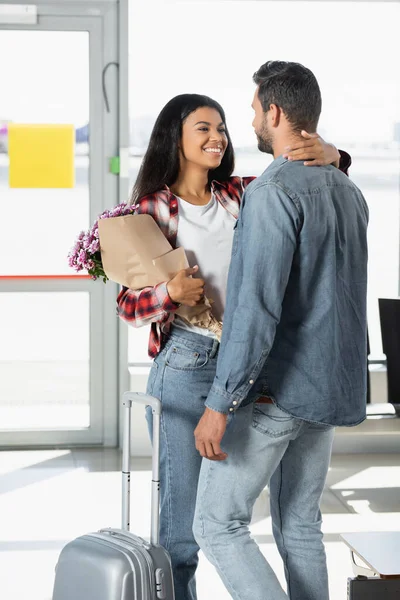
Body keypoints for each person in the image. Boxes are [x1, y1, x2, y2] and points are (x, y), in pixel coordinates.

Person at [117, 92, 350, 600]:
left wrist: (336, 155)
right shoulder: (151, 208)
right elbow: (127, 305)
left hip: (245, 369)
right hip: (186, 366)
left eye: (221, 127)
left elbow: (303, 180)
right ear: (174, 138)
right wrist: (168, 294)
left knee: (223, 515)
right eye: (203, 128)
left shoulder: (244, 193)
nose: (217, 137)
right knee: (182, 529)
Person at [193, 62, 368, 600]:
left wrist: (219, 404)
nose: (248, 121)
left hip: (279, 392)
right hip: (331, 387)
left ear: (274, 111)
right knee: (300, 526)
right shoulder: (348, 191)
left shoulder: (272, 193)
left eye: (252, 110)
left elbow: (256, 310)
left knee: (217, 526)